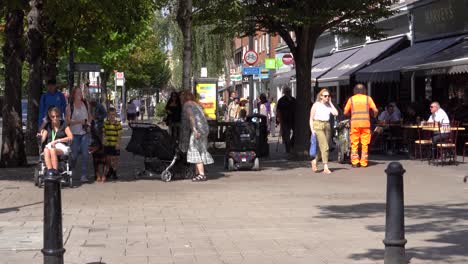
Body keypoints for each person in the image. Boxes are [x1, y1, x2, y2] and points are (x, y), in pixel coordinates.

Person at [179, 90, 214, 182]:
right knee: (201, 149)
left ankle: (201, 174)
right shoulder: (196, 104)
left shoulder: (187, 105)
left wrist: (194, 129)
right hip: (204, 129)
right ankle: (198, 173)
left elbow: (191, 117)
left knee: (194, 150)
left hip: (197, 130)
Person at [343, 84, 378, 168]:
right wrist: (374, 116)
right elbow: (375, 110)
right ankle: (363, 162)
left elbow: (345, 112)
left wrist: (350, 115)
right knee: (365, 143)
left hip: (355, 124)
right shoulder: (368, 99)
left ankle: (355, 162)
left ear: (354, 91)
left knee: (354, 143)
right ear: (364, 91)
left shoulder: (351, 99)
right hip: (365, 124)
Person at [66, 86, 93, 183]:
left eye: (80, 93)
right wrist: (79, 121)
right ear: (73, 95)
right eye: (77, 93)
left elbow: (90, 116)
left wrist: (89, 123)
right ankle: (71, 169)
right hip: (74, 133)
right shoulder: (70, 106)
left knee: (85, 154)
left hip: (84, 133)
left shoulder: (86, 104)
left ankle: (83, 175)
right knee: (74, 155)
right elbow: (68, 121)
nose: (79, 95)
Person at [309, 89, 338, 174]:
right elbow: (311, 118)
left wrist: (331, 103)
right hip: (318, 125)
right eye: (325, 96)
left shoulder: (328, 105)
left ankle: (315, 160)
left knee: (324, 145)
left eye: (328, 96)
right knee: (325, 146)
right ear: (321, 96)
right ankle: (325, 166)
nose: (327, 97)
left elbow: (336, 113)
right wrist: (312, 130)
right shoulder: (316, 105)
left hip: (327, 125)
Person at [40, 107, 73, 175]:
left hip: (61, 146)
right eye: (53, 116)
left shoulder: (63, 124)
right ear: (50, 117)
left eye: (57, 116)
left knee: (52, 150)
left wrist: (58, 140)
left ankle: (55, 171)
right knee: (46, 150)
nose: (55, 118)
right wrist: (40, 135)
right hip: (50, 146)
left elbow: (71, 137)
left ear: (59, 116)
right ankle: (50, 171)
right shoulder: (48, 125)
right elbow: (43, 138)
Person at [102, 107, 123, 182]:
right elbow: (104, 132)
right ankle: (110, 170)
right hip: (108, 144)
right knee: (108, 160)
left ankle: (114, 172)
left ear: (115, 115)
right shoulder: (106, 123)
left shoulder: (118, 124)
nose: (112, 116)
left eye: (113, 115)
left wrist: (118, 143)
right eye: (110, 115)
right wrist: (103, 139)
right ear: (108, 115)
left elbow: (120, 135)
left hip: (115, 144)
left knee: (115, 160)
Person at [276, 86, 296, 153]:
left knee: (296, 133)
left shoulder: (293, 99)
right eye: (286, 92)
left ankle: (291, 144)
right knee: (286, 135)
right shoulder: (281, 100)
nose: (288, 93)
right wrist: (279, 118)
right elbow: (278, 110)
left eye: (289, 91)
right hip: (285, 120)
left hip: (293, 119)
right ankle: (288, 149)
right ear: (284, 92)